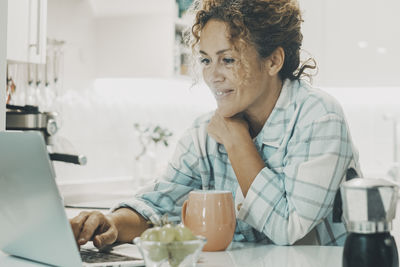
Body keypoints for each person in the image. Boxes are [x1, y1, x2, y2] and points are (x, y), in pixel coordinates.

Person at [70, 0, 362, 248]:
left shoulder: (319, 117)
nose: (212, 76)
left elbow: (289, 226)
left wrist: (237, 142)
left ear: (273, 61)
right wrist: (111, 223)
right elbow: (157, 206)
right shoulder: (204, 134)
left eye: (228, 60)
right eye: (207, 60)